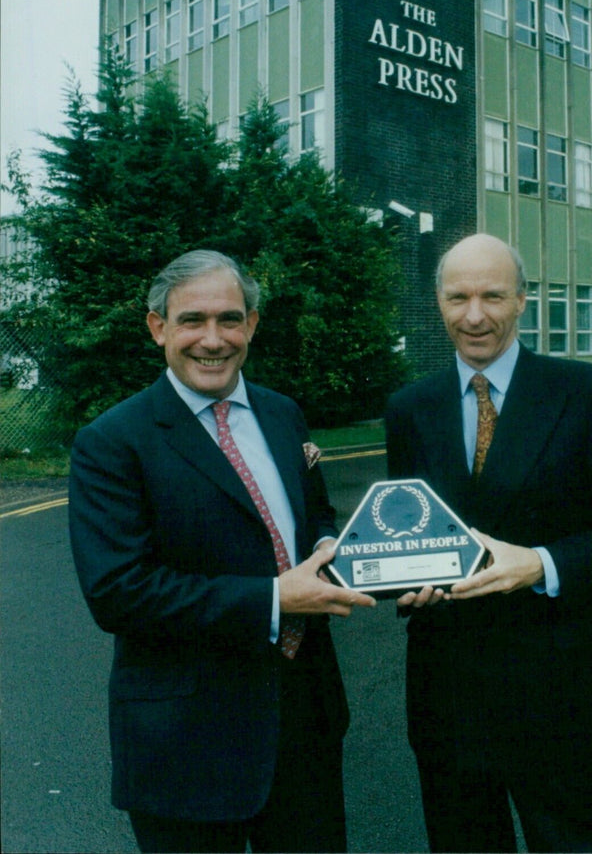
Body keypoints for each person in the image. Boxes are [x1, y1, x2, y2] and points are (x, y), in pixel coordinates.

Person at [69, 249, 375, 854]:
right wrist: (273, 597)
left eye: (230, 319)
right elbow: (119, 592)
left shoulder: (283, 414)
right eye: (192, 320)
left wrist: (328, 546)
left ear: (253, 325)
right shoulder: (111, 442)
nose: (213, 339)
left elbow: (311, 512)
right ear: (158, 327)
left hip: (302, 723)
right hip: (186, 743)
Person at [385, 233, 592, 853]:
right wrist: (403, 584)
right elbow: (406, 531)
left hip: (556, 697)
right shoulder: (410, 408)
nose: (474, 315)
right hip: (446, 698)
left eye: (492, 295)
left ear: (522, 300)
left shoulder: (585, 393)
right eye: (458, 297)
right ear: (438, 303)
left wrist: (539, 563)